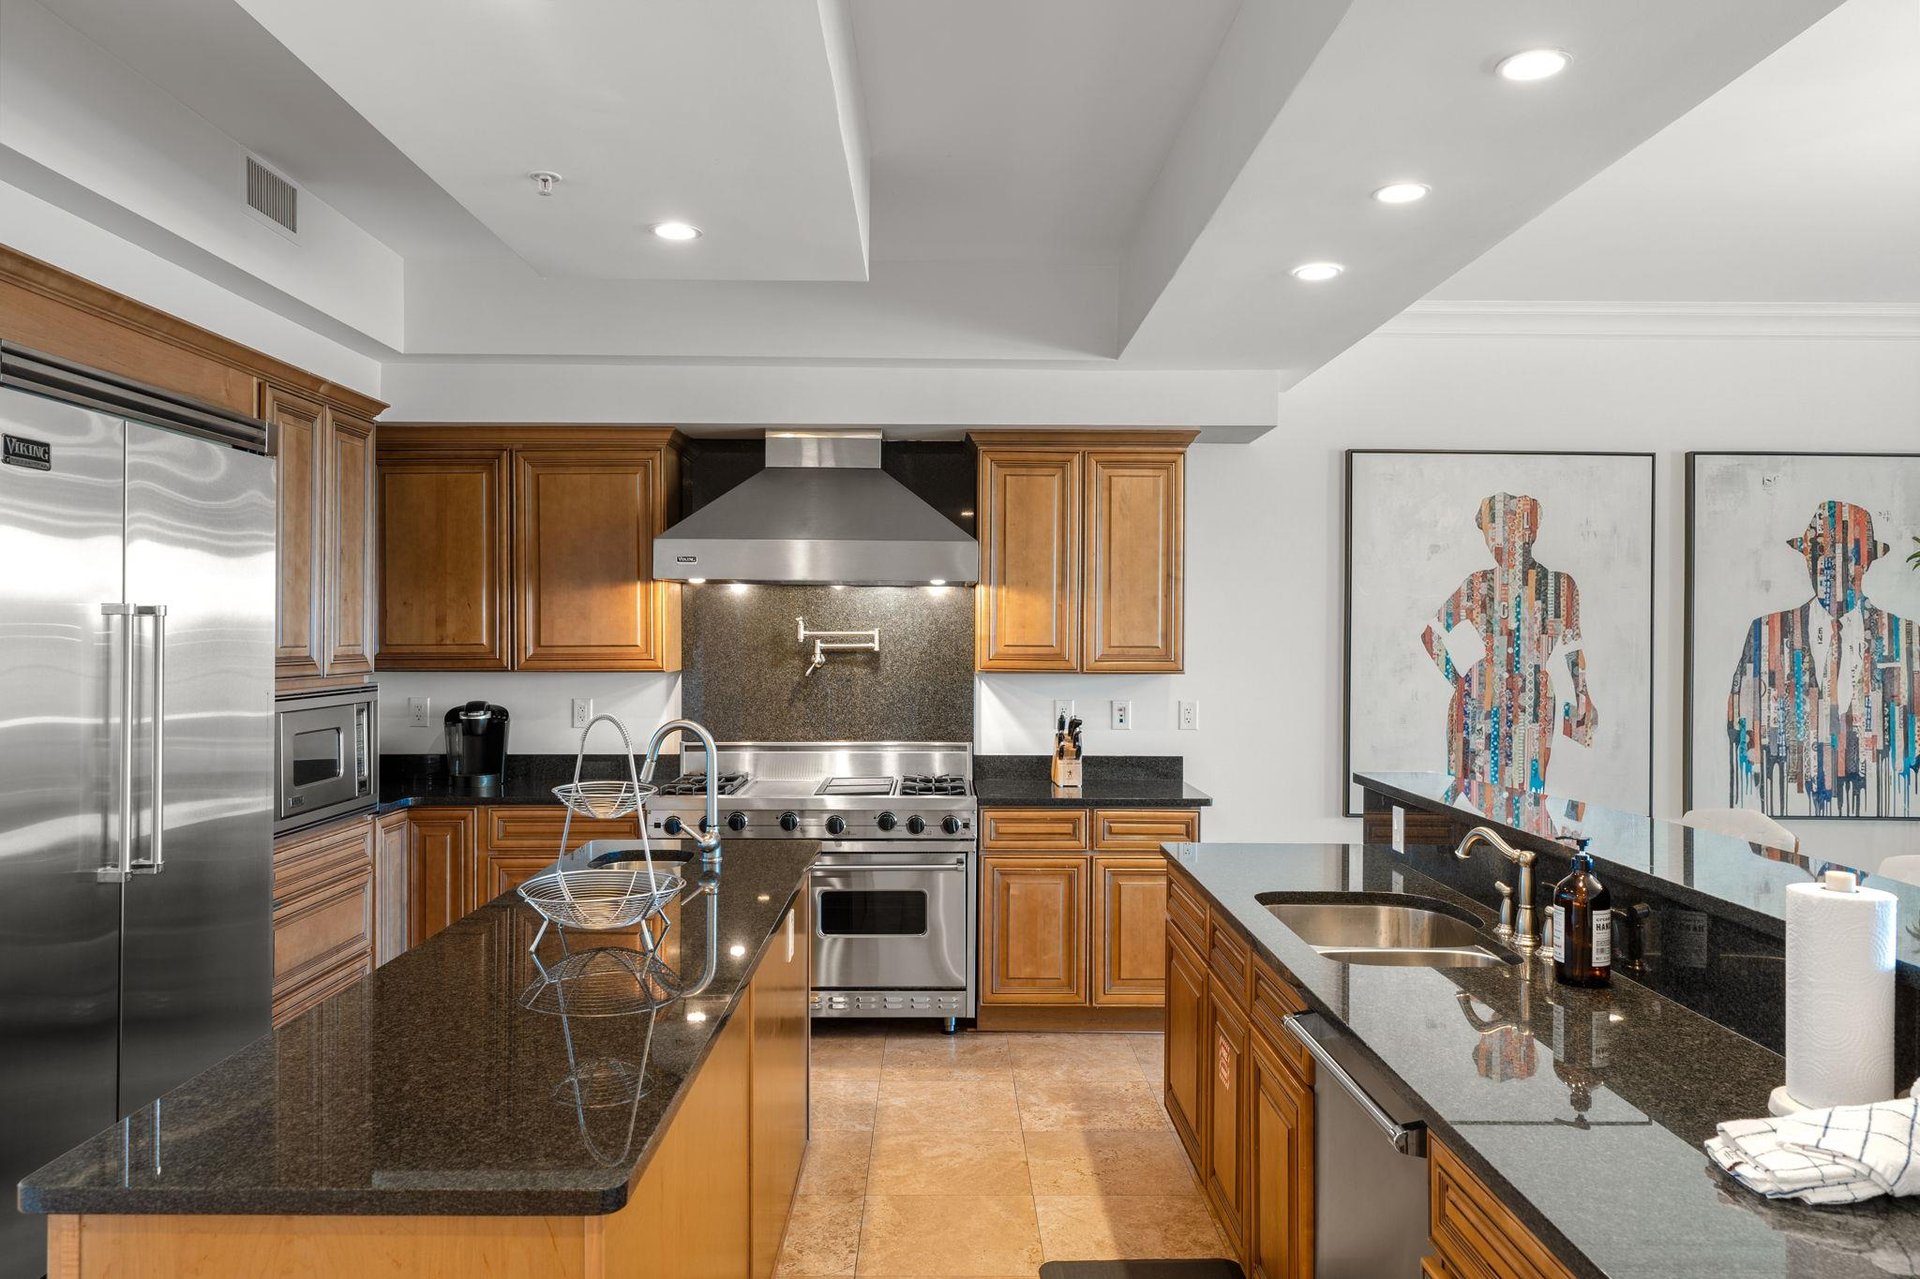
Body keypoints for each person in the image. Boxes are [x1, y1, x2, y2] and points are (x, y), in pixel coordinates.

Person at [1728, 500, 1920, 817]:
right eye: (1818, 551)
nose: (1827, 563)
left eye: (1845, 553)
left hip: (1880, 802)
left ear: (1867, 561)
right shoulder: (1766, 631)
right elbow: (1739, 724)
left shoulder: (1904, 635)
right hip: (1786, 803)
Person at [1420, 492, 1599, 814]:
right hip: (1479, 701)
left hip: (1534, 700)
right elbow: (1431, 635)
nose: (1498, 543)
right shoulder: (1479, 583)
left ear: (1530, 531)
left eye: (1506, 530)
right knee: (1472, 796)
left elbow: (1573, 646)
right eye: (1491, 535)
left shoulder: (1561, 585)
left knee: (1527, 798)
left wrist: (1583, 696)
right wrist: (1463, 682)